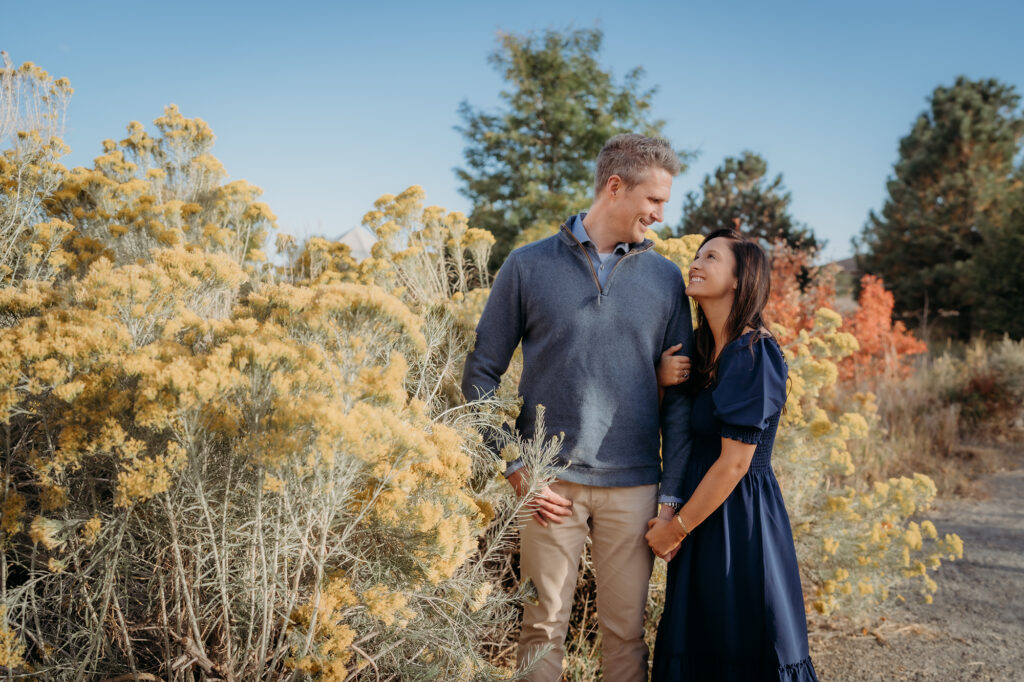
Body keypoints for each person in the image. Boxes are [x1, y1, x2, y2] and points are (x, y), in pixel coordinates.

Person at [461, 133, 694, 682]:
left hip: (635, 486)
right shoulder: (527, 266)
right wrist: (519, 470)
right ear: (615, 186)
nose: (661, 215)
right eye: (654, 201)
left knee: (626, 633)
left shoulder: (666, 279)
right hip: (551, 487)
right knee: (542, 628)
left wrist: (671, 496)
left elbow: (680, 401)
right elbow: (479, 377)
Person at [645, 229, 819, 681]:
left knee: (740, 645)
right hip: (704, 515)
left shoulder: (753, 353)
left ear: (741, 280)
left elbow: (736, 463)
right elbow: (680, 431)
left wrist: (674, 528)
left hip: (739, 521)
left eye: (712, 257)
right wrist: (662, 382)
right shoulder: (707, 351)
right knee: (701, 646)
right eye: (697, 255)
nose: (696, 263)